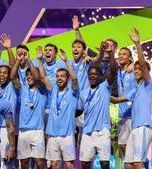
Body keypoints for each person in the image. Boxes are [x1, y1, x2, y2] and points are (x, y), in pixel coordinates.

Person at [111, 28, 152, 169]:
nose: (136, 70)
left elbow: (141, 62)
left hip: (143, 126)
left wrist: (137, 44)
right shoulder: (135, 90)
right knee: (128, 164)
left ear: (145, 72)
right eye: (135, 69)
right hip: (135, 127)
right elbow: (116, 100)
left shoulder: (148, 84)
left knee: (138, 163)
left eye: (139, 69)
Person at [10, 45, 51, 169]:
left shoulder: (42, 90)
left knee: (40, 163)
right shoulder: (23, 89)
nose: (29, 77)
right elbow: (12, 77)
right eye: (27, 75)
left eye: (31, 75)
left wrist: (30, 62)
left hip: (38, 132)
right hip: (23, 131)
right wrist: (18, 60)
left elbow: (38, 77)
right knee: (24, 164)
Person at [77, 41, 117, 169]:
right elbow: (78, 111)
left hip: (103, 131)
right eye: (90, 74)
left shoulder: (105, 87)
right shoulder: (83, 93)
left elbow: (113, 71)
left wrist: (110, 54)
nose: (92, 76)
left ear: (100, 76)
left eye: (95, 74)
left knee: (105, 163)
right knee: (85, 164)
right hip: (87, 132)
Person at [45, 49, 78, 169]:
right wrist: (38, 59)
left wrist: (66, 62)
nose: (59, 78)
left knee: (69, 165)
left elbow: (74, 79)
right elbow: (43, 76)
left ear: (67, 79)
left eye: (62, 76)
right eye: (57, 76)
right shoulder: (53, 90)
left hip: (67, 134)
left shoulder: (73, 92)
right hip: (52, 134)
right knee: (54, 165)